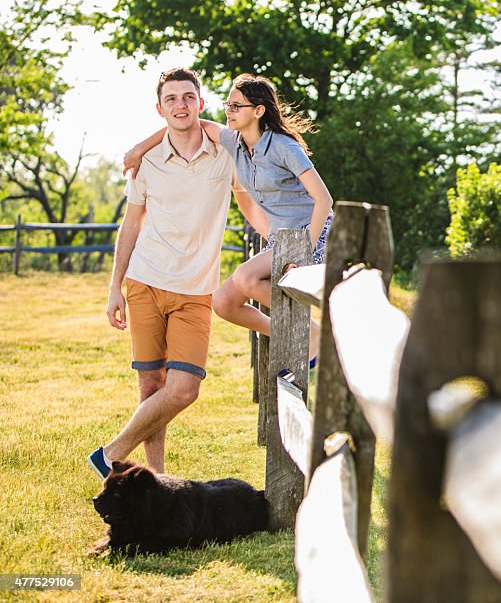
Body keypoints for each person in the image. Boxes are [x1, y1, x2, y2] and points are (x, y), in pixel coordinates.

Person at [89, 68, 265, 478]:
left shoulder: (226, 152)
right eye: (172, 99)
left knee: (183, 388)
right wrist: (114, 286)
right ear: (160, 108)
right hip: (145, 280)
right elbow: (130, 225)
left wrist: (280, 240)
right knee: (151, 387)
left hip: (195, 290)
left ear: (200, 104)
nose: (180, 105)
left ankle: (112, 453)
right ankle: (154, 480)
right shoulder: (147, 161)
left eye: (188, 97)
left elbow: (249, 204)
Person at [124, 73, 332, 363]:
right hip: (282, 238)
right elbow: (190, 124)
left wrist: (304, 250)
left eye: (237, 106)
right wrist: (139, 149)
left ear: (258, 111)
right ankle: (297, 332)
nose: (229, 112)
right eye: (228, 105)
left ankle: (320, 327)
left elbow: (324, 199)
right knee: (223, 303)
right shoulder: (234, 143)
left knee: (245, 277)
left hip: (313, 234)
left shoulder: (284, 146)